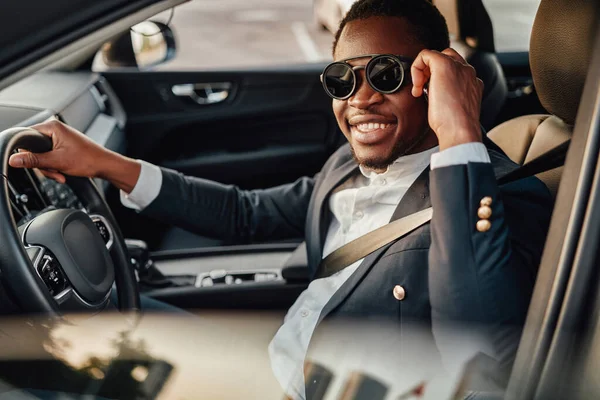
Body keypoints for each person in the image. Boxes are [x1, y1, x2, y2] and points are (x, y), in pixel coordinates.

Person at [9, 0, 553, 397]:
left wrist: (460, 134)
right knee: (70, 341)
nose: (360, 97)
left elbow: (481, 353)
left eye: (386, 74)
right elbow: (244, 213)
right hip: (272, 366)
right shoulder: (345, 165)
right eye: (342, 79)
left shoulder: (501, 195)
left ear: (432, 76)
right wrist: (105, 164)